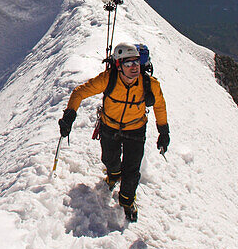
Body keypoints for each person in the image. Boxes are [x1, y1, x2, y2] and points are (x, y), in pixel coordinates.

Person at [58, 41, 169, 222]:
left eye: (136, 62)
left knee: (132, 171)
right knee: (110, 159)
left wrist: (164, 132)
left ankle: (127, 200)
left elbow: (160, 106)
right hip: (110, 126)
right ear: (119, 66)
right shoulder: (108, 79)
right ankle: (113, 173)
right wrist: (69, 115)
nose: (134, 67)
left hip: (136, 129)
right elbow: (79, 93)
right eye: (128, 63)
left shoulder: (149, 84)